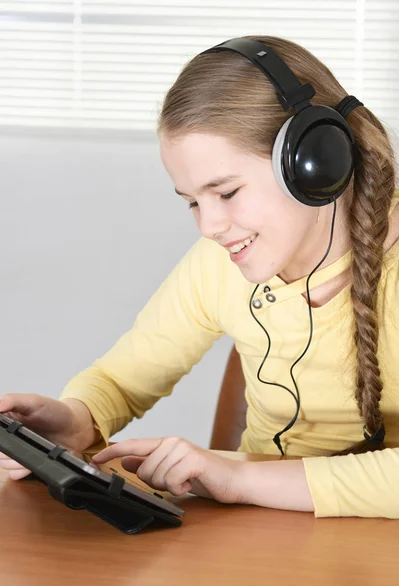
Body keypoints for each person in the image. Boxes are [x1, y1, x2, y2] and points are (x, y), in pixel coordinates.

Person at [1, 35, 398, 518]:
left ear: (314, 164)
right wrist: (76, 419)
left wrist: (238, 478)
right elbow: (124, 377)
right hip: (261, 534)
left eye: (226, 192)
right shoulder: (220, 264)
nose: (208, 227)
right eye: (192, 201)